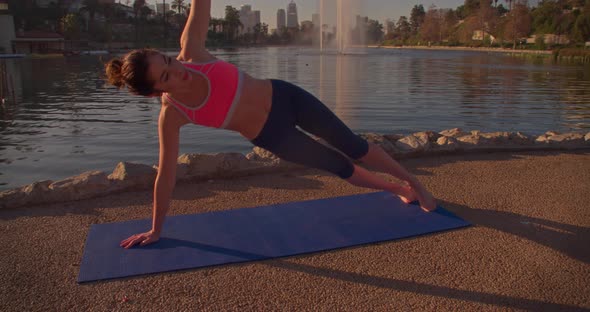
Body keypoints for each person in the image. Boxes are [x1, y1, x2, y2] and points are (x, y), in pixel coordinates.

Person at [108, 0, 436, 249]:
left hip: (287, 98)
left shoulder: (192, 51)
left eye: (168, 60)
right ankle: (396, 189)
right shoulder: (173, 115)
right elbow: (166, 174)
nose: (177, 69)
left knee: (354, 146)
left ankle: (414, 184)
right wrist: (156, 229)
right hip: (272, 136)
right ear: (156, 92)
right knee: (340, 167)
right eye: (166, 75)